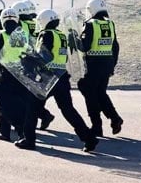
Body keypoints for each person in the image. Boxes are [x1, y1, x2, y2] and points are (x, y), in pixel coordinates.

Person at [15, 9, 99, 152]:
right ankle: (89, 138)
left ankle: (29, 140)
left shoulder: (45, 34)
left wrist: (27, 59)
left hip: (47, 78)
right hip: (62, 76)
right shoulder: (61, 35)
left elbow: (44, 56)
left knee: (32, 109)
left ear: (44, 21)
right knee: (68, 110)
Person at [77, 0, 123, 137]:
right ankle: (115, 118)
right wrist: (112, 65)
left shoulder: (90, 24)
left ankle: (97, 126)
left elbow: (85, 46)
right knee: (100, 93)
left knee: (89, 93)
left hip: (94, 65)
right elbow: (115, 46)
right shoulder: (110, 24)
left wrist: (76, 39)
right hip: (107, 63)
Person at [0, 8, 29, 142]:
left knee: (4, 102)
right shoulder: (23, 34)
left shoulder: (1, 35)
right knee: (20, 103)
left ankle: (7, 132)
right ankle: (16, 132)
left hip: (6, 73)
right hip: (21, 72)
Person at [12, 0, 56, 130]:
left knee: (21, 95)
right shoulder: (36, 23)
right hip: (35, 61)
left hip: (24, 60)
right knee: (28, 94)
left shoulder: (20, 24)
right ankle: (42, 115)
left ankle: (40, 117)